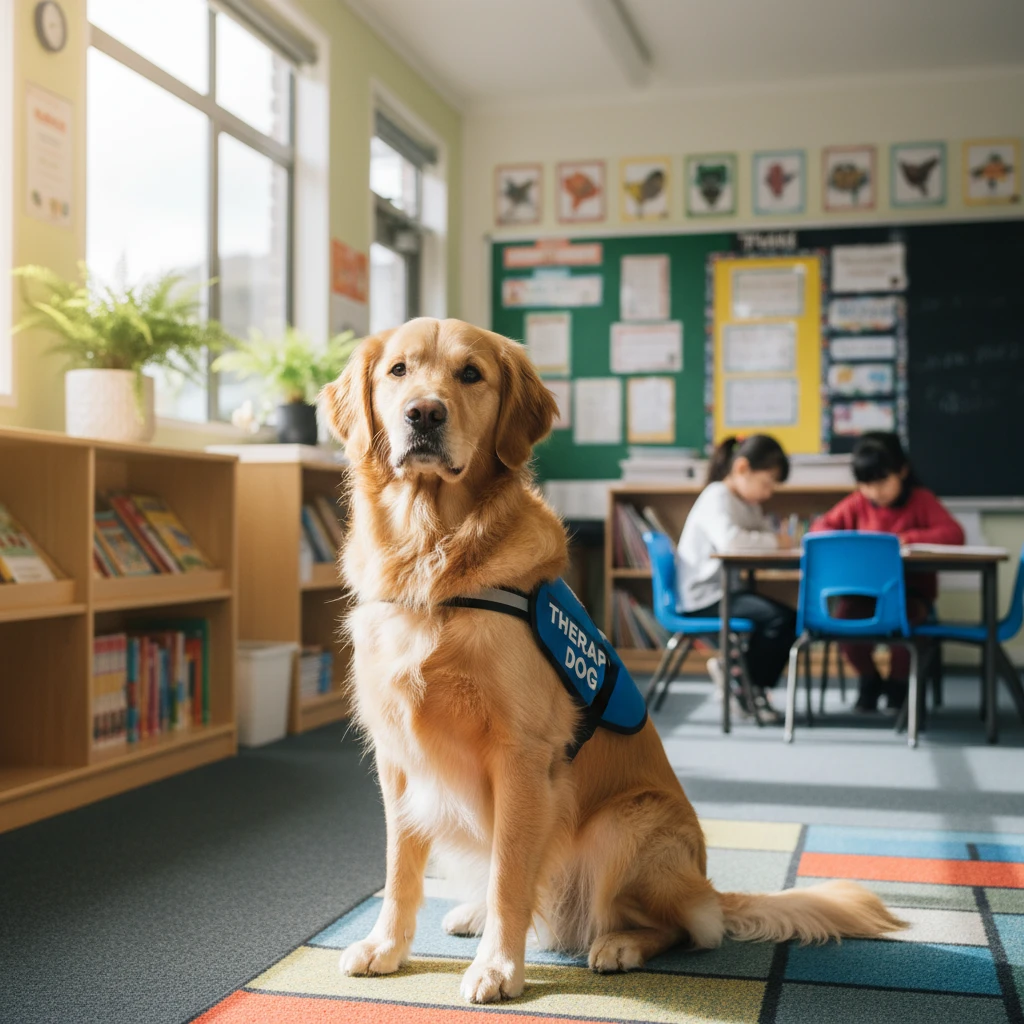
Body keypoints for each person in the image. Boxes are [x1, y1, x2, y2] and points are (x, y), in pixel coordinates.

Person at [810, 432, 964, 712]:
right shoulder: (857, 502)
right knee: (843, 621)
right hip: (862, 593)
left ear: (902, 471)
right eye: (866, 484)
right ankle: (869, 680)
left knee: (907, 632)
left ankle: (898, 684)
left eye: (881, 481)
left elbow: (954, 534)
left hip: (910, 594)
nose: (874, 491)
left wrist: (912, 538)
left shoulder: (921, 500)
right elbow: (820, 529)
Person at [677, 435, 797, 722]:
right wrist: (774, 542)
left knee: (786, 618)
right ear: (742, 468)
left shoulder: (747, 504)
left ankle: (740, 678)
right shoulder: (716, 496)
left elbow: (765, 537)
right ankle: (746, 686)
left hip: (726, 592)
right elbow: (732, 542)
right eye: (766, 483)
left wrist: (772, 541)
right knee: (781, 620)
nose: (768, 493)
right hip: (703, 596)